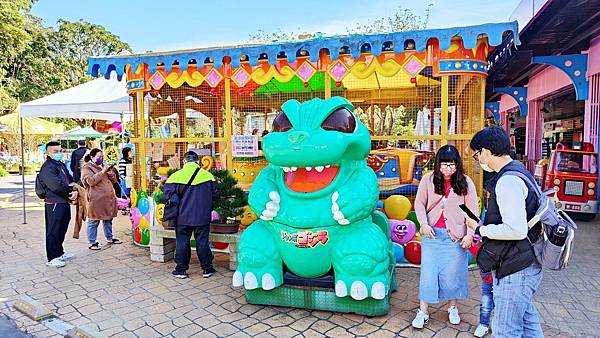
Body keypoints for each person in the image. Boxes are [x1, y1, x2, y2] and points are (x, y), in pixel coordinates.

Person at [466, 126, 543, 338]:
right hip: (526, 260)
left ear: (486, 151)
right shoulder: (518, 170)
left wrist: (481, 229)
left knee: (505, 330)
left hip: (515, 267)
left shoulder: (507, 181)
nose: (478, 159)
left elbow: (515, 229)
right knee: (527, 322)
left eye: (476, 154)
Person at [412, 145, 478, 329]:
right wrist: (423, 224)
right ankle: (423, 311)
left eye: (452, 164)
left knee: (453, 274)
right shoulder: (428, 180)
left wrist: (470, 234)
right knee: (428, 274)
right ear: (437, 164)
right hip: (432, 235)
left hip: (455, 237)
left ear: (457, 165)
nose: (448, 168)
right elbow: (419, 203)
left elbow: (472, 211)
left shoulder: (466, 183)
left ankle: (453, 307)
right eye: (444, 164)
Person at [164, 151, 216, 279]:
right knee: (202, 242)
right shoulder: (209, 177)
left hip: (182, 217)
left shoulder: (174, 177)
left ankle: (181, 270)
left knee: (182, 242)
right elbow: (215, 195)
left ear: (184, 162)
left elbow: (168, 196)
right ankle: (207, 269)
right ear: (197, 162)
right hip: (202, 217)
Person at [37, 141, 78, 267]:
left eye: (60, 151)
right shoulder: (48, 167)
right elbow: (56, 186)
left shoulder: (59, 164)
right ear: (48, 153)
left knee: (62, 227)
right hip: (54, 202)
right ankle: (52, 257)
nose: (59, 153)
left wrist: (75, 189)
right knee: (54, 230)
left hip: (63, 201)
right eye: (56, 151)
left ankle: (59, 252)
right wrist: (71, 193)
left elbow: (69, 180)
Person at [81, 148, 122, 250]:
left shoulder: (102, 166)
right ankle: (92, 242)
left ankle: (110, 238)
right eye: (99, 157)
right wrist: (102, 171)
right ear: (92, 157)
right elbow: (90, 181)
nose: (101, 159)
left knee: (108, 219)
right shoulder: (87, 168)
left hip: (108, 199)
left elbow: (114, 180)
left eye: (102, 157)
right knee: (94, 220)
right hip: (96, 200)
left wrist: (110, 172)